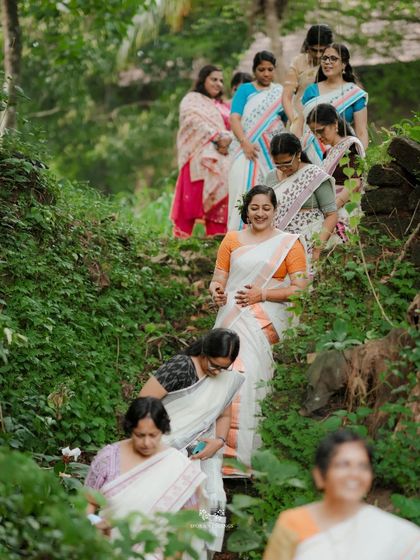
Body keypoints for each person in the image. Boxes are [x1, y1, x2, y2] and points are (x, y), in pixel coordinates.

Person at [210, 185, 308, 474]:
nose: (261, 213)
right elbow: (218, 279)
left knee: (249, 377)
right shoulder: (231, 240)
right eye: (255, 207)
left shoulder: (289, 244)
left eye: (267, 208)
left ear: (276, 211)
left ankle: (245, 461)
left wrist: (262, 295)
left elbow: (300, 288)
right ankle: (215, 459)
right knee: (220, 375)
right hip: (230, 319)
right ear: (247, 210)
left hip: (263, 323)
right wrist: (216, 291)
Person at [139, 328, 243, 553]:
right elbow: (144, 403)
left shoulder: (225, 378)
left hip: (205, 451)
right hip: (165, 448)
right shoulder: (182, 367)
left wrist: (219, 441)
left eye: (224, 368)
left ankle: (195, 553)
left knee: (212, 501)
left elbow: (224, 415)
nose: (218, 372)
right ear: (204, 352)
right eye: (214, 365)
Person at [263, 430, 420, 559]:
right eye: (343, 464)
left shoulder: (395, 532)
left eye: (363, 466)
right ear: (319, 476)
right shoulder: (293, 522)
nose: (354, 474)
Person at [85, 397, 207, 558]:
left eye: (153, 435)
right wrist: (95, 526)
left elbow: (190, 519)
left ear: (163, 431)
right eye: (140, 435)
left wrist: (174, 555)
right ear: (130, 429)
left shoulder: (178, 465)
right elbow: (87, 503)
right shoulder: (109, 458)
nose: (147, 443)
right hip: (109, 551)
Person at [170, 65, 232, 238]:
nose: (218, 84)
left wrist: (227, 139)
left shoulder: (223, 105)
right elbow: (192, 121)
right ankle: (179, 244)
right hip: (198, 159)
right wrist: (216, 136)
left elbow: (234, 127)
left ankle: (216, 243)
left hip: (223, 159)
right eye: (214, 79)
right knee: (191, 201)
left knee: (221, 200)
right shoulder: (192, 100)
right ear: (202, 79)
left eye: (221, 80)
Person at [228, 51, 286, 230]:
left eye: (270, 69)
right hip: (246, 150)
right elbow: (234, 118)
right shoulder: (245, 90)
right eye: (262, 69)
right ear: (254, 70)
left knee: (269, 194)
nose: (266, 73)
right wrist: (245, 142)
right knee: (242, 192)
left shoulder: (279, 92)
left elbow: (285, 121)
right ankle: (237, 239)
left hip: (270, 154)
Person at [265, 133, 337, 271]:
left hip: (309, 241)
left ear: (298, 154)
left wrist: (317, 248)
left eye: (287, 163)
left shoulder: (314, 175)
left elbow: (331, 214)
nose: (283, 168)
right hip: (277, 242)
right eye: (278, 164)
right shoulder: (270, 177)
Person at [301, 43, 368, 165]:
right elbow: (301, 126)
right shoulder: (311, 91)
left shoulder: (354, 93)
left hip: (344, 154)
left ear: (344, 64)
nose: (327, 62)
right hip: (312, 154)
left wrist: (358, 159)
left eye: (333, 58)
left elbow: (362, 131)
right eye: (325, 58)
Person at [307, 103, 365, 241]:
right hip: (330, 208)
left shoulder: (350, 145)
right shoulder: (328, 153)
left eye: (321, 130)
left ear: (335, 124)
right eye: (315, 133)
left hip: (346, 208)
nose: (318, 136)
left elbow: (355, 182)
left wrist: (332, 208)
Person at [282, 24, 333, 135]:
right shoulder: (298, 62)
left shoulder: (335, 64)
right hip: (301, 121)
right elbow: (286, 97)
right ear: (307, 47)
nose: (318, 55)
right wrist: (294, 122)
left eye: (322, 50)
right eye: (314, 50)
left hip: (327, 123)